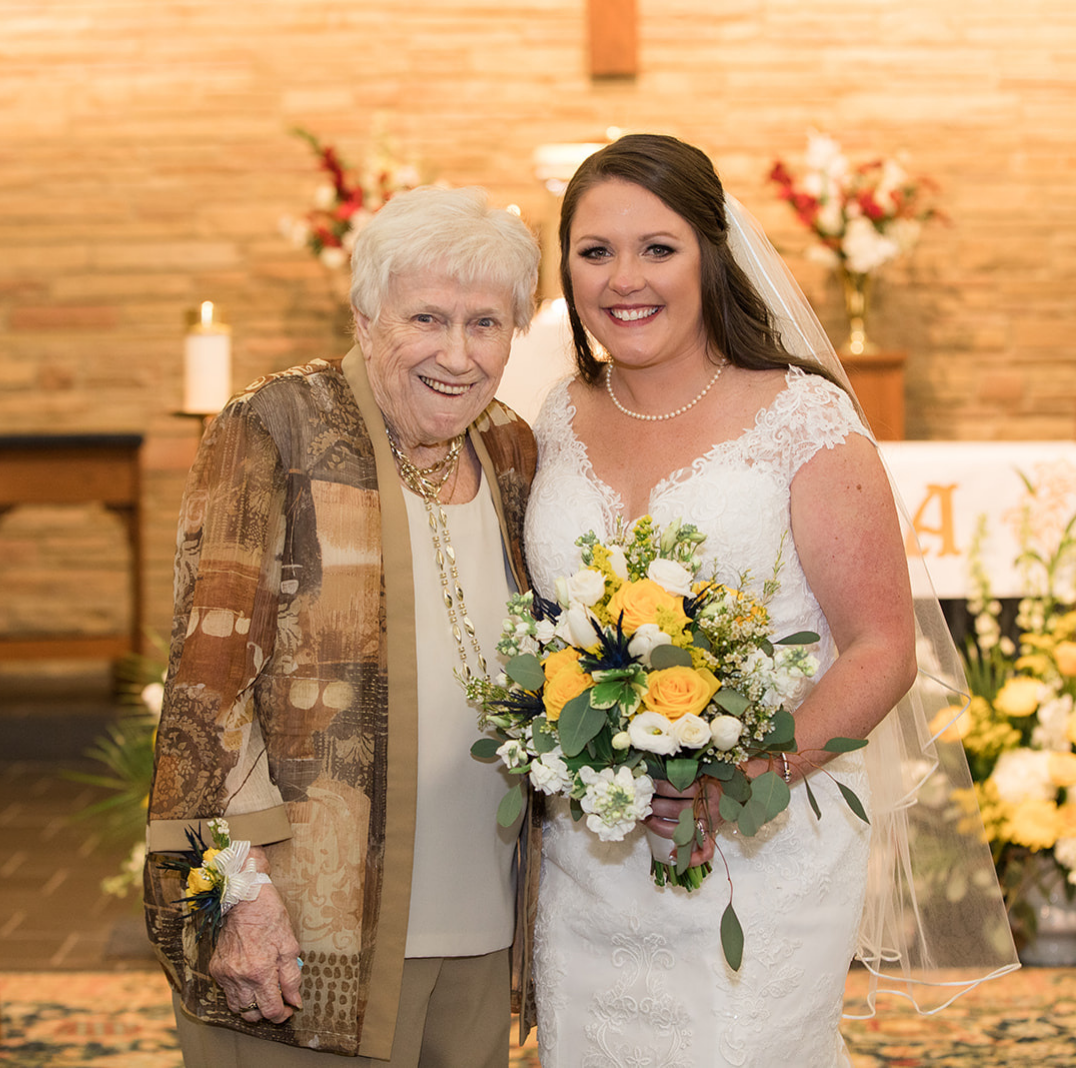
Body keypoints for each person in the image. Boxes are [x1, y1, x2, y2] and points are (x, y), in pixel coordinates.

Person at [522, 134, 1018, 1065]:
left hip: (760, 845)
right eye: (595, 252)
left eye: (658, 248)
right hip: (592, 851)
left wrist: (747, 777)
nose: (625, 278)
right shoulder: (557, 415)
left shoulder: (804, 419)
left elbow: (880, 646)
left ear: (712, 254)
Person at [142, 185, 542, 1065]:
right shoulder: (280, 427)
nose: (457, 353)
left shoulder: (512, 445)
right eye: (426, 318)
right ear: (366, 320)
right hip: (311, 931)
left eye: (487, 323)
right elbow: (209, 682)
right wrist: (237, 895)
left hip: (480, 903)